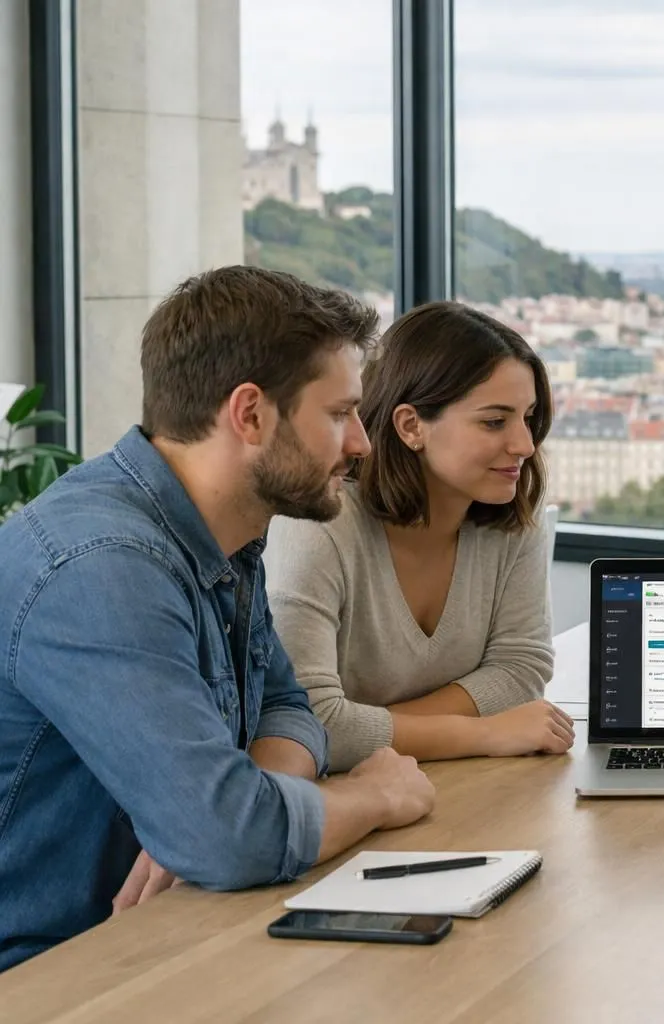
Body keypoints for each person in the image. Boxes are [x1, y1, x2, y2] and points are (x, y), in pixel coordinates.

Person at [0, 267, 436, 973]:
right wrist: (370, 794)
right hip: (50, 972)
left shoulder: (221, 531)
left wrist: (239, 804)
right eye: (338, 414)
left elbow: (289, 710)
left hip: (171, 935)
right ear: (251, 414)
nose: (360, 442)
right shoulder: (101, 567)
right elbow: (227, 839)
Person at [265, 301, 573, 772]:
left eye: (528, 417)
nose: (524, 445)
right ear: (411, 426)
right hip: (335, 804)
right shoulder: (319, 525)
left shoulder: (509, 507)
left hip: (450, 782)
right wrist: (485, 731)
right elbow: (309, 727)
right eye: (495, 421)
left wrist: (365, 730)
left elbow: (521, 670)